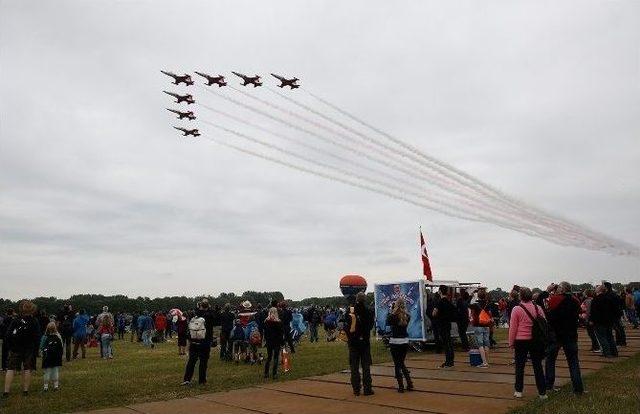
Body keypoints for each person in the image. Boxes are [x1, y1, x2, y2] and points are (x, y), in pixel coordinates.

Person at [544, 282, 584, 395]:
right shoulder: (575, 300)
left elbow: (545, 308)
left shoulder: (554, 300)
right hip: (571, 334)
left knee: (550, 360)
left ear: (561, 290)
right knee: (573, 362)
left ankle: (549, 384)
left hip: (556, 335)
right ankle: (578, 388)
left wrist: (548, 290)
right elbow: (580, 311)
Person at [508, 287, 547, 400]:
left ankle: (518, 390)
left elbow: (513, 328)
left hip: (521, 340)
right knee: (537, 366)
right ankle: (542, 392)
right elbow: (544, 323)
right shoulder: (538, 308)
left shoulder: (516, 309)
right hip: (536, 340)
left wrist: (511, 342)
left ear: (521, 296)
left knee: (520, 366)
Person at [2, 300, 41, 397]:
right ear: (32, 309)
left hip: (15, 348)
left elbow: (7, 335)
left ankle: (6, 391)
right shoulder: (34, 321)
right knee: (27, 368)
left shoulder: (16, 320)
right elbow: (37, 337)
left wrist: (10, 346)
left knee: (10, 369)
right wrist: (36, 349)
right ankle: (25, 391)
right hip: (29, 348)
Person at [346, 292, 374, 396]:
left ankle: (356, 389)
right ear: (365, 299)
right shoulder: (369, 311)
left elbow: (346, 325)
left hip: (353, 342)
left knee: (354, 366)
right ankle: (367, 389)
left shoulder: (350, 310)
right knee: (366, 366)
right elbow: (370, 326)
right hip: (365, 342)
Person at [182, 299, 216, 385]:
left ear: (200, 306)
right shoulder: (210, 315)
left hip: (194, 340)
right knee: (203, 362)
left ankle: (187, 379)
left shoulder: (195, 314)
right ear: (208, 306)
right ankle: (202, 380)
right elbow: (216, 319)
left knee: (191, 361)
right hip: (205, 341)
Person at [386, 298, 413, 393]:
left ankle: (401, 386)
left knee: (397, 364)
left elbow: (388, 322)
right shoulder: (407, 316)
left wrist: (392, 311)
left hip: (395, 341)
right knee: (401, 362)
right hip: (405, 341)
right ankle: (409, 382)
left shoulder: (392, 316)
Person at [590, 285, 618, 358]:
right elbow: (614, 310)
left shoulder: (596, 299)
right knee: (610, 336)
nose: (595, 289)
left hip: (599, 322)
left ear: (599, 290)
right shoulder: (609, 298)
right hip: (609, 321)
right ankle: (614, 352)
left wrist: (591, 320)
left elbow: (593, 311)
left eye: (596, 289)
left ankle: (607, 353)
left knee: (602, 337)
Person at [432, 285, 456, 368]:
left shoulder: (439, 302)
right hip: (448, 324)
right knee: (449, 343)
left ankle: (448, 362)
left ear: (440, 291)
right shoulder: (449, 302)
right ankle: (451, 360)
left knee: (446, 344)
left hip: (441, 325)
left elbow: (434, 313)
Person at [40, 322, 63, 391]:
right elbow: (61, 346)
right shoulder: (58, 336)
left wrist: (42, 353)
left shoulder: (45, 337)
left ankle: (45, 386)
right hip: (56, 357)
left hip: (47, 357)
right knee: (55, 371)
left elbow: (41, 346)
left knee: (47, 372)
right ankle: (56, 385)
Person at [263, 307, 284, 379]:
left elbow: (265, 333)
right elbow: (281, 334)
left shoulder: (266, 321)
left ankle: (266, 373)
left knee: (269, 357)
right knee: (275, 357)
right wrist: (282, 342)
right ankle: (274, 374)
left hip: (269, 341)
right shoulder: (278, 322)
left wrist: (266, 339)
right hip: (276, 341)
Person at [469, 301, 491, 368]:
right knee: (486, 344)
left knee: (480, 344)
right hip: (486, 326)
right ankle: (486, 361)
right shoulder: (486, 306)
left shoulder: (475, 306)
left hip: (478, 326)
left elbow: (468, 305)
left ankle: (484, 362)